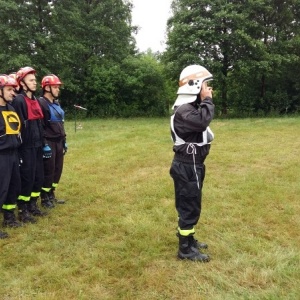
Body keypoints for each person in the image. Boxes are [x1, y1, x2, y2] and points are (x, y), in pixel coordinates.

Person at [169, 64, 215, 262]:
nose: (208, 89)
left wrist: (203, 101)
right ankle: (185, 250)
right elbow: (203, 122)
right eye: (205, 85)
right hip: (187, 166)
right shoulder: (184, 111)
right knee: (189, 206)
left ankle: (189, 239)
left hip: (192, 165)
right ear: (194, 85)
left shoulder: (188, 109)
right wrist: (207, 101)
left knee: (191, 204)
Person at [12, 66, 48, 223]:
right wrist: (18, 150)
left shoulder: (35, 100)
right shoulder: (19, 100)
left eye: (35, 80)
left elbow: (40, 124)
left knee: (38, 177)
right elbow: (16, 126)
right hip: (26, 147)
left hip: (37, 145)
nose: (35, 83)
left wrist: (44, 143)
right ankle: (23, 209)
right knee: (26, 178)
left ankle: (33, 205)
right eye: (31, 80)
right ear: (23, 83)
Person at [38, 74, 67, 208]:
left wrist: (64, 140)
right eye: (55, 87)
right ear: (47, 88)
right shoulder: (41, 103)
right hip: (49, 142)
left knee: (57, 169)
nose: (58, 90)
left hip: (59, 141)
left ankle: (52, 194)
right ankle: (44, 198)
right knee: (48, 171)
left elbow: (61, 123)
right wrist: (44, 144)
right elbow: (40, 126)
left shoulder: (56, 103)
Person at [0, 74, 23, 238]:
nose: (12, 93)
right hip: (1, 156)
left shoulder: (11, 108)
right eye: (9, 90)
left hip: (14, 154)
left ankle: (8, 217)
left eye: (13, 90)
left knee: (13, 187)